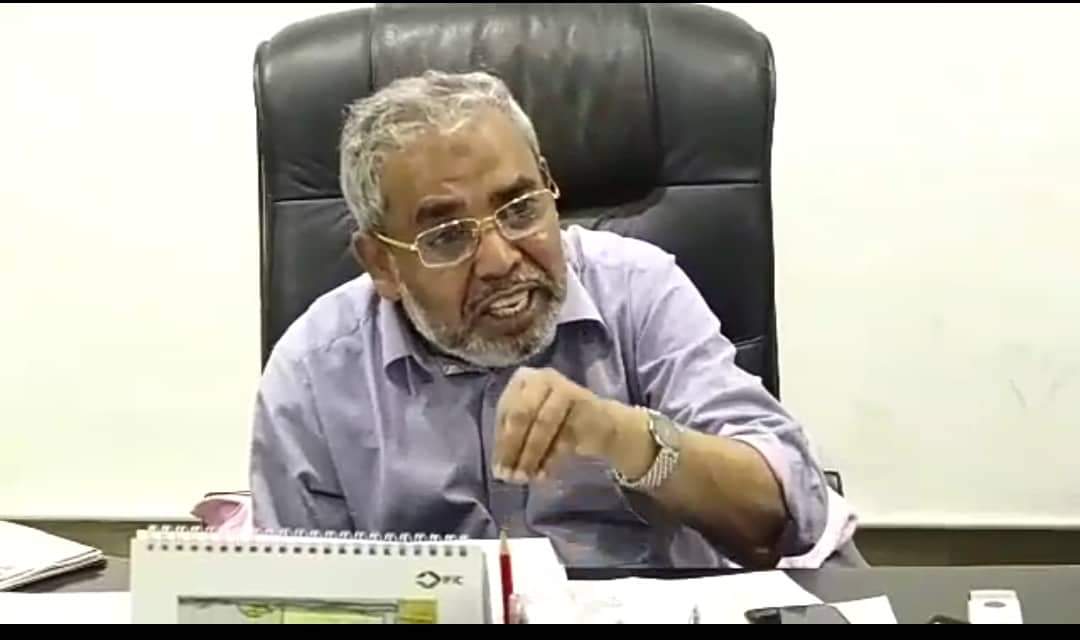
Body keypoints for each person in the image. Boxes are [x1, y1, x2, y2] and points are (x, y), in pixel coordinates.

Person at [250, 70, 833, 569]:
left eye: (521, 208)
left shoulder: (638, 290)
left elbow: (787, 513)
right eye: (448, 236)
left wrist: (624, 436)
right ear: (383, 264)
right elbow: (297, 594)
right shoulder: (313, 372)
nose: (501, 260)